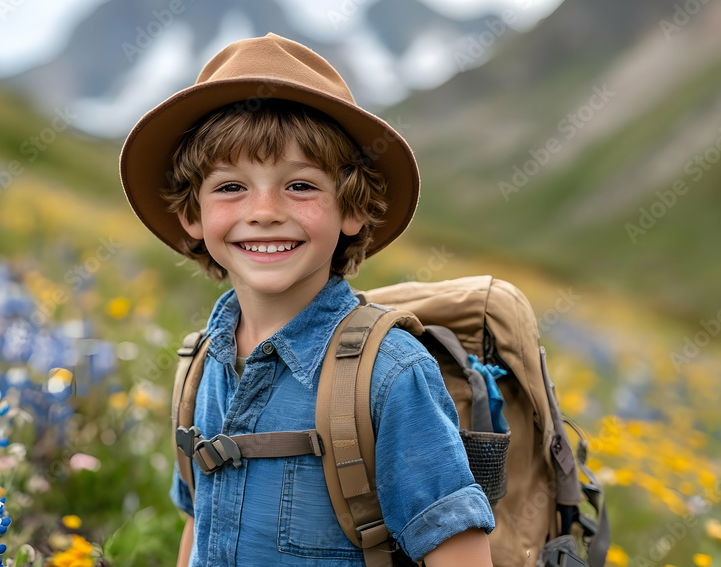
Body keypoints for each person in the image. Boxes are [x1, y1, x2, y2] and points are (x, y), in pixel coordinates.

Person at [119, 33, 494, 566]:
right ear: (193, 217)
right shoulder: (202, 362)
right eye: (230, 187)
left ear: (352, 209)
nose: (266, 210)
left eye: (300, 186)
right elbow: (198, 525)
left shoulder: (391, 373)